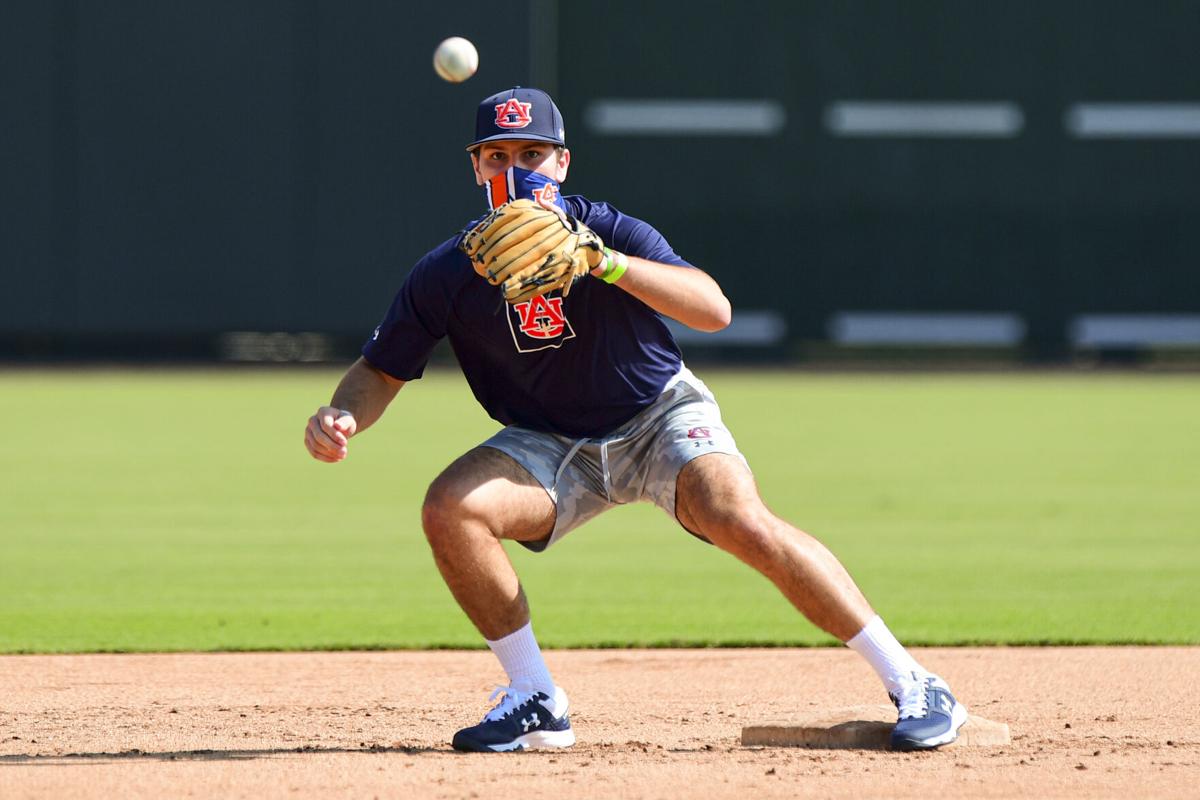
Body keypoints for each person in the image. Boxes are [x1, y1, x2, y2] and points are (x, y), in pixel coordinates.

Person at [303, 86, 967, 753]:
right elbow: (380, 370)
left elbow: (713, 309)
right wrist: (343, 416)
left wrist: (604, 262)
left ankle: (915, 680)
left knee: (737, 516)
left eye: (532, 153)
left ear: (561, 163)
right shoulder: (448, 272)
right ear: (476, 166)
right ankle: (535, 697)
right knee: (450, 508)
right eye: (498, 155)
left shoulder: (609, 230)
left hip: (657, 415)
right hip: (548, 444)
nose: (516, 170)